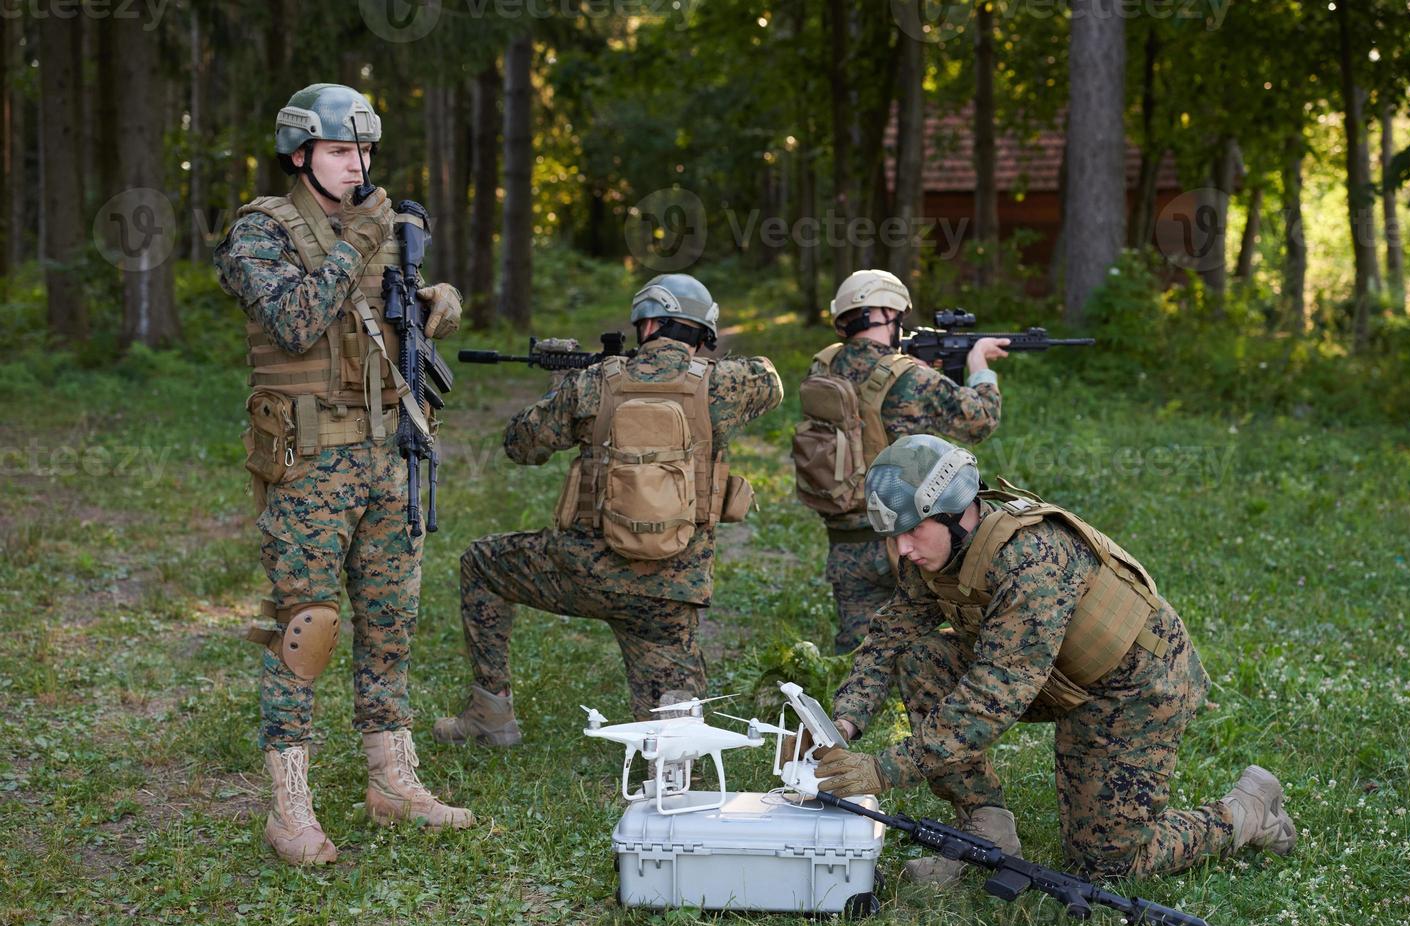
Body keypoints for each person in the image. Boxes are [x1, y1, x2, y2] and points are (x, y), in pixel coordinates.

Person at [812, 434, 1296, 884]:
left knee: (1107, 867)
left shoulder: (1032, 561)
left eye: (913, 530)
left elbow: (991, 698)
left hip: (1132, 690)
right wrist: (842, 725)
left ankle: (1246, 812)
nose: (902, 548)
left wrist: (883, 769)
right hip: (1053, 676)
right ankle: (987, 831)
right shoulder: (936, 555)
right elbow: (888, 639)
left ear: (957, 513)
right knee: (922, 658)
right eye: (893, 536)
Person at [215, 83, 472, 866]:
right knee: (306, 630)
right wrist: (360, 238)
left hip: (390, 453)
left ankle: (391, 780)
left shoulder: (384, 227)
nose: (356, 165)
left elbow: (381, 318)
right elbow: (294, 321)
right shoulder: (263, 230)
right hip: (308, 461)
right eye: (338, 150)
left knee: (391, 621)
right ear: (300, 154)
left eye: (364, 151)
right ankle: (288, 808)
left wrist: (433, 303)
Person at [433, 273, 784, 743]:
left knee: (481, 563)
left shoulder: (592, 383)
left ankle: (489, 716)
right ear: (703, 335)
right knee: (674, 737)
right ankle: (673, 753)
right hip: (669, 593)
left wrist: (570, 385)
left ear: (647, 323)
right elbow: (772, 382)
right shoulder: (728, 384)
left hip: (584, 574)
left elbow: (521, 445)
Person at [792, 269, 1006, 655]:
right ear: (889, 315)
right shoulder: (911, 378)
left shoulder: (822, 367)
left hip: (844, 537)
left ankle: (847, 710)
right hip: (908, 535)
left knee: (857, 653)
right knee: (919, 648)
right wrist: (979, 366)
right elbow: (980, 419)